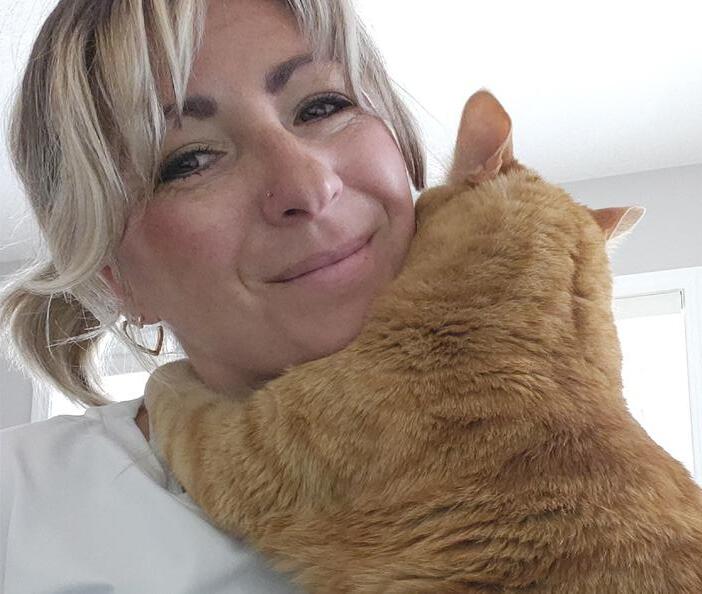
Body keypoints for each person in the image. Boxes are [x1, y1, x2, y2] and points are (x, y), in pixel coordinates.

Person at [0, 0, 426, 592]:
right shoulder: (18, 503)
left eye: (322, 106)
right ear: (114, 278)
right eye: (190, 161)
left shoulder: (561, 433)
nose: (307, 186)